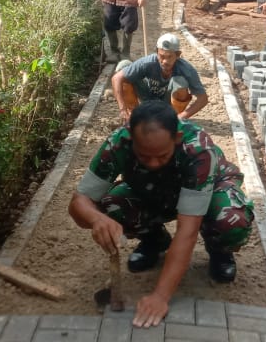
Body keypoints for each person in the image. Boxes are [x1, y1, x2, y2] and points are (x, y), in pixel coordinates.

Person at [69, 101, 254, 328]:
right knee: (111, 207)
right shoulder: (119, 143)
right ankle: (154, 241)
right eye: (144, 156)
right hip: (156, 190)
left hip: (210, 188)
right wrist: (96, 218)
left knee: (230, 221)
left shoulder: (198, 150)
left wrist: (160, 296)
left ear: (176, 139)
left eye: (161, 155)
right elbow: (79, 202)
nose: (153, 163)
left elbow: (187, 231)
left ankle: (219, 250)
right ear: (131, 140)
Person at [112, 33, 208, 124]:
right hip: (147, 98)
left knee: (180, 82)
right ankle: (133, 114)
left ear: (178, 55)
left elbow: (203, 99)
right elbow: (116, 79)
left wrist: (182, 116)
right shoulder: (148, 62)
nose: (165, 61)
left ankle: (172, 118)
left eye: (170, 57)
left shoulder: (186, 70)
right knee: (123, 66)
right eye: (161, 56)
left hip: (168, 104)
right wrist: (122, 109)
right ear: (157, 52)